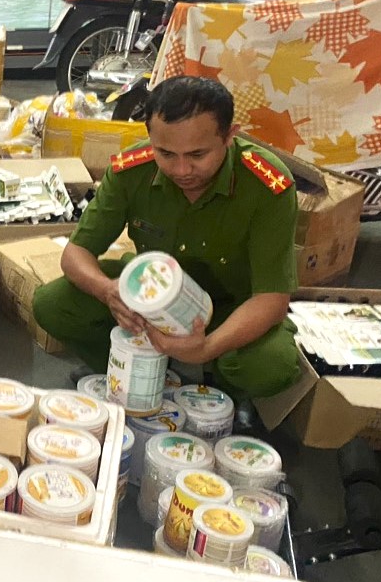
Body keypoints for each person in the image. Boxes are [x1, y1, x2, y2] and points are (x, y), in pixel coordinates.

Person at [32, 76, 301, 410]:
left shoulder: (266, 184)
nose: (182, 169)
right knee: (53, 304)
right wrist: (107, 290)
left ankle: (223, 393)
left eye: (198, 154)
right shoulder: (133, 169)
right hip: (148, 298)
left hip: (229, 307)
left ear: (230, 136)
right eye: (166, 153)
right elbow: (76, 253)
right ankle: (119, 367)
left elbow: (271, 299)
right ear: (151, 138)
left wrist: (206, 348)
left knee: (270, 366)